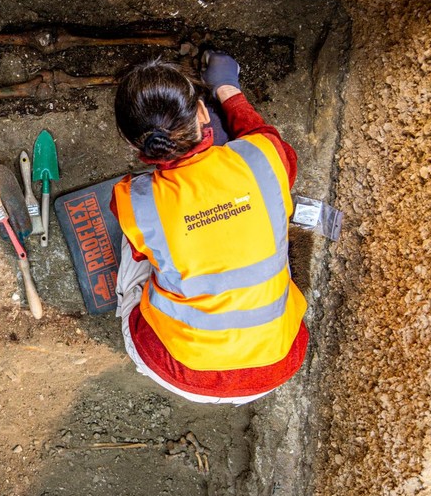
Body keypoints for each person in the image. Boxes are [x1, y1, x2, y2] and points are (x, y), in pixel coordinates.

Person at [110, 53, 308, 404]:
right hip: (277, 365)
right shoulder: (267, 156)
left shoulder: (133, 200)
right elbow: (261, 134)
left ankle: (138, 333)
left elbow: (147, 250)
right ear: (203, 114)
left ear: (133, 145)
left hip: (181, 371)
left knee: (140, 252)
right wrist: (227, 88)